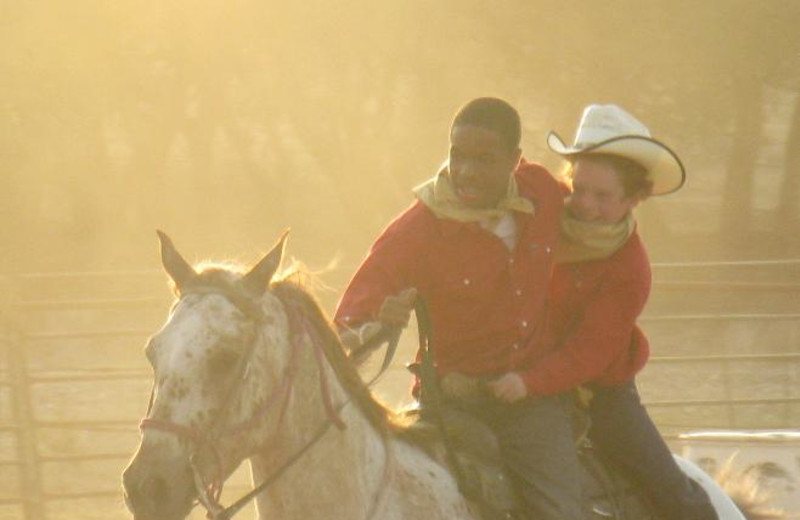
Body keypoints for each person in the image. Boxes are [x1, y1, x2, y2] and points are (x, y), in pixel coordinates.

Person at [334, 97, 583, 520]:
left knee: (561, 512)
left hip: (533, 397)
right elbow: (346, 324)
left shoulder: (540, 191)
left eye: (485, 160)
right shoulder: (417, 229)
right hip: (452, 402)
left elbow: (598, 223)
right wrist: (381, 321)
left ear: (515, 160)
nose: (466, 171)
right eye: (457, 155)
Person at [492, 103, 717, 520]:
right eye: (578, 188)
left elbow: (590, 352)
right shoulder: (541, 207)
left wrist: (529, 382)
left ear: (635, 198)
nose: (584, 204)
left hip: (601, 391)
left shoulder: (630, 268)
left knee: (669, 489)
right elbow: (494, 180)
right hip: (520, 363)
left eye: (603, 196)